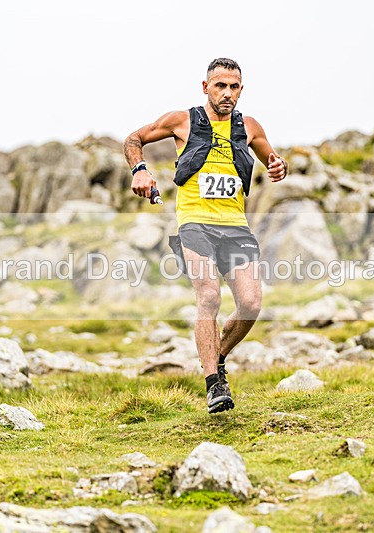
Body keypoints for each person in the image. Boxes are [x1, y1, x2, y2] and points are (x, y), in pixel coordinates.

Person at [123, 58, 287, 413]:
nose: (227, 93)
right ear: (205, 87)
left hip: (236, 227)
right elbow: (134, 139)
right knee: (209, 295)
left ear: (241, 90)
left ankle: (217, 354)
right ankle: (214, 385)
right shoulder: (182, 120)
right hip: (195, 223)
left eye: (234, 87)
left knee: (251, 304)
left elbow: (273, 159)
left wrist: (279, 166)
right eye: (220, 86)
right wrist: (140, 170)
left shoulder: (250, 127)